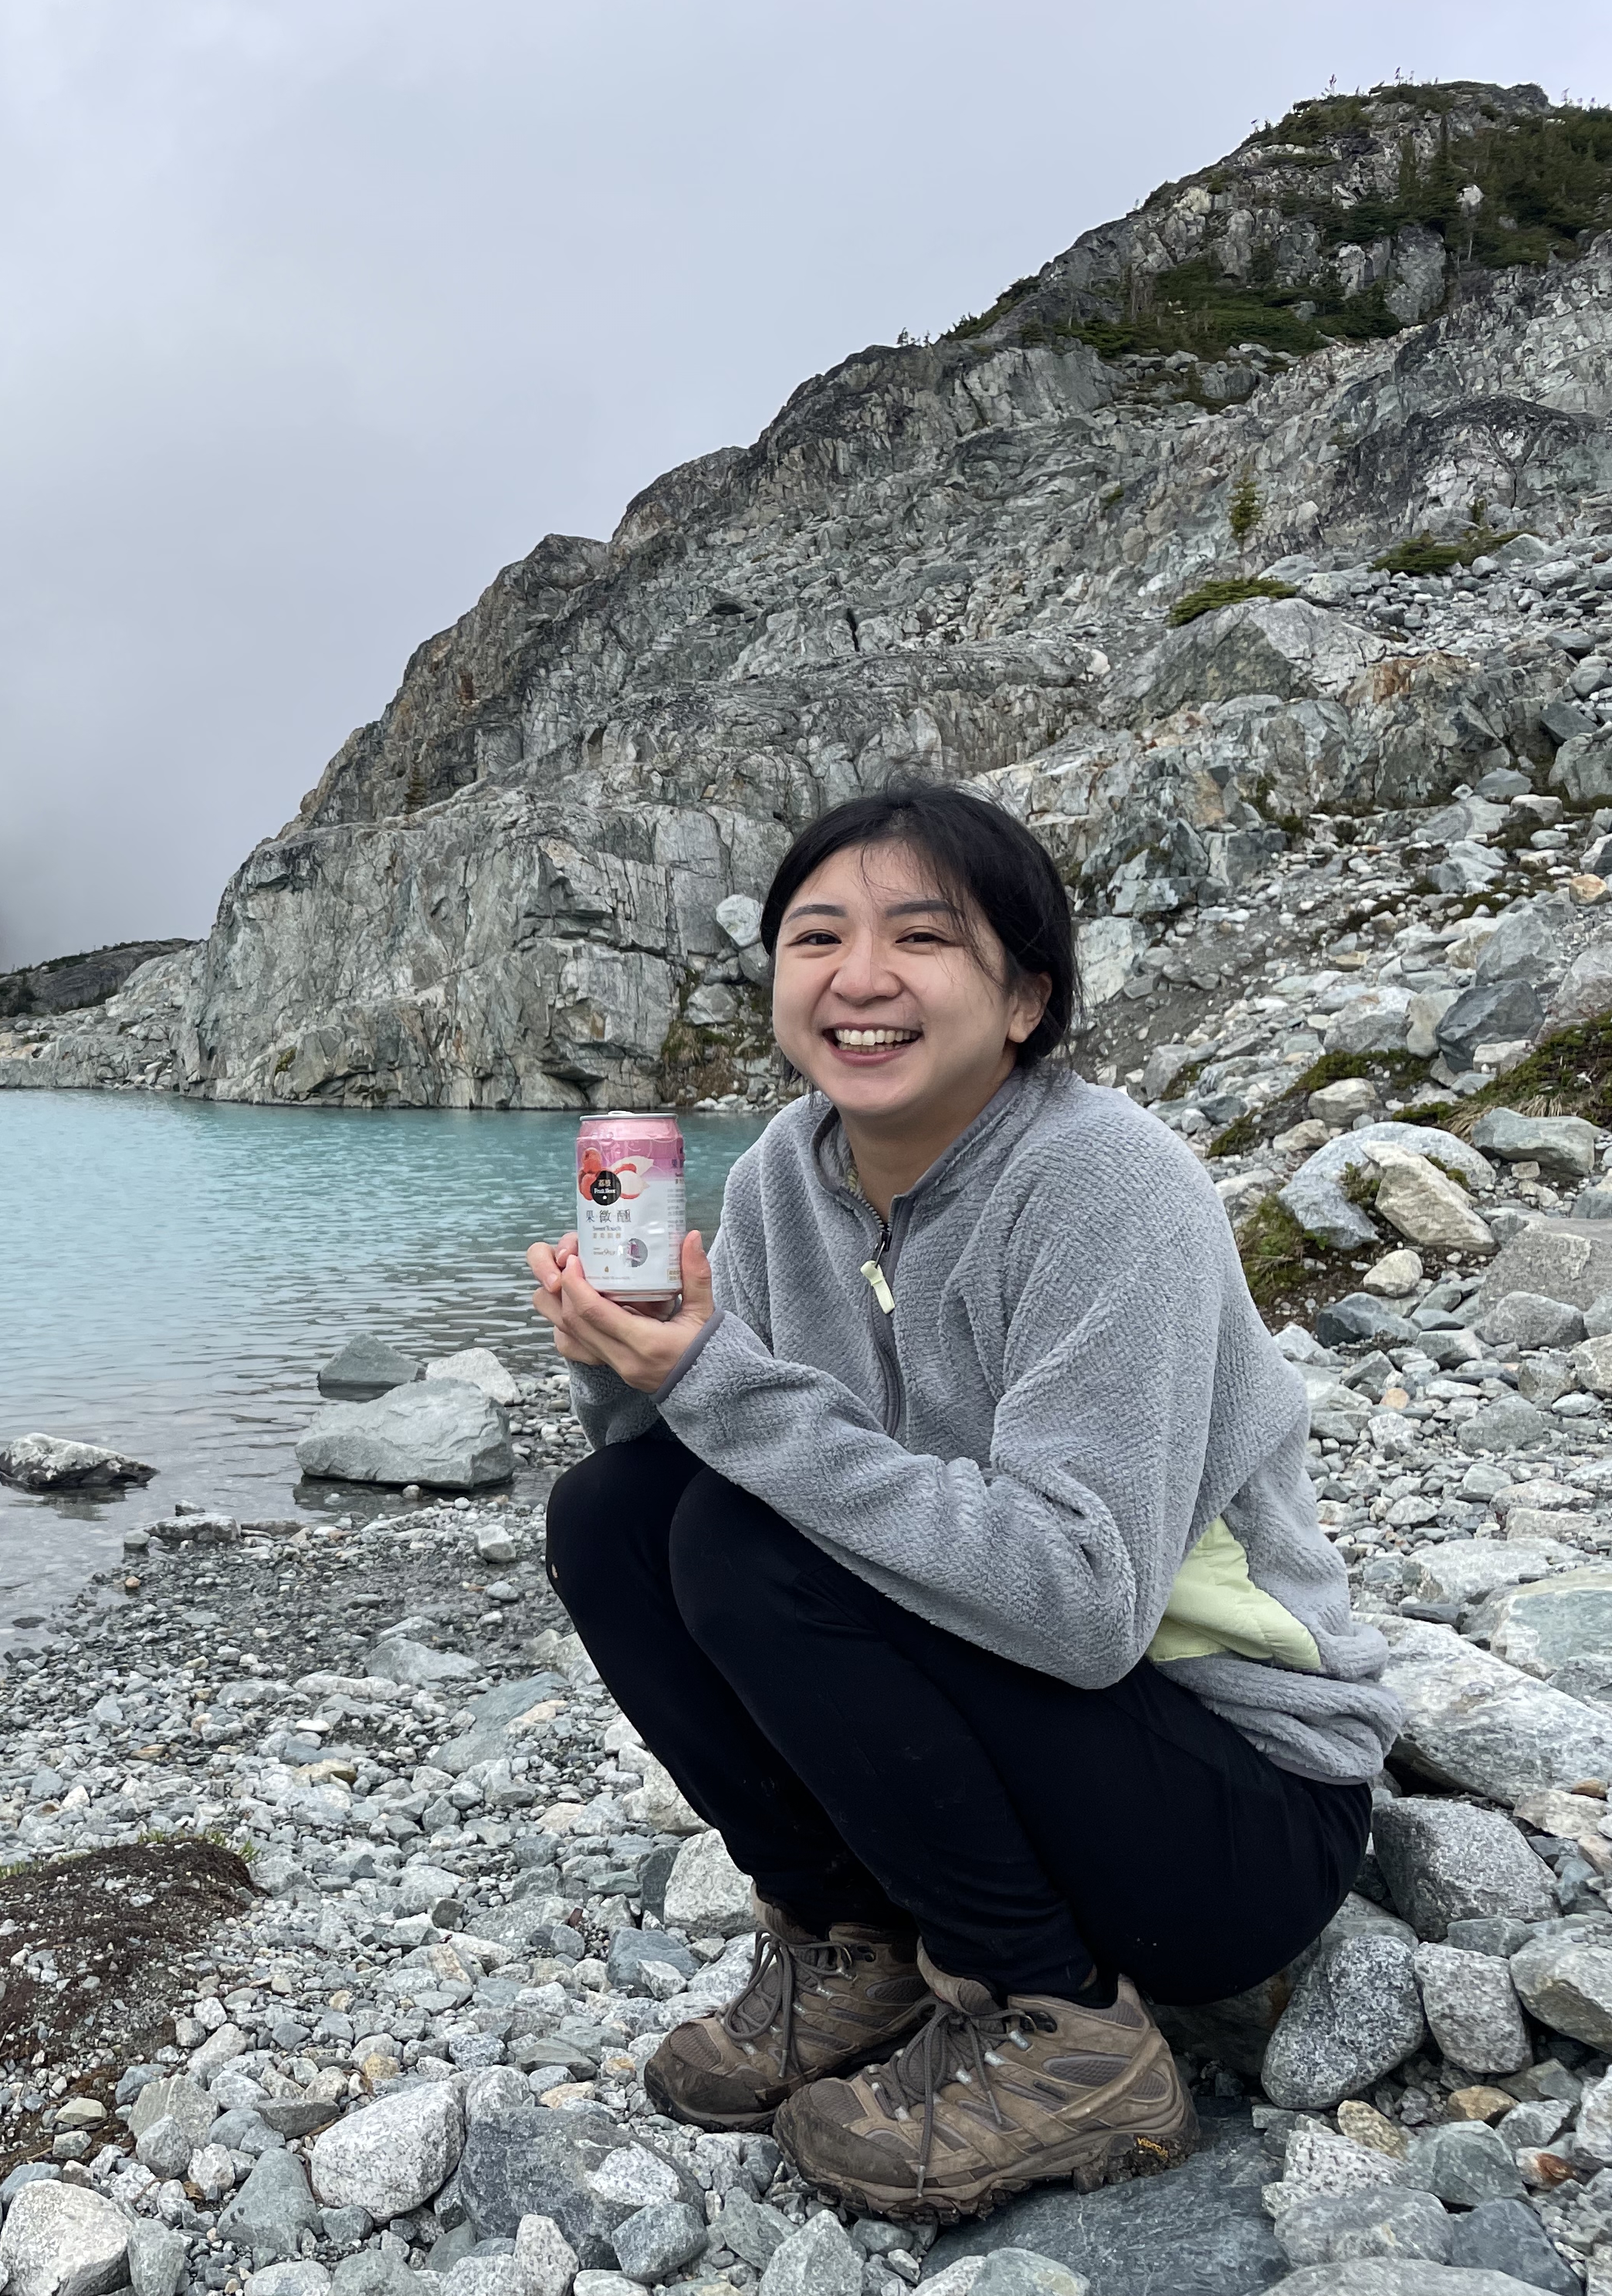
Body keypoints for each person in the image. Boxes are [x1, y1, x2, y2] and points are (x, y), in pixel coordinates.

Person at [523, 782, 1397, 2224]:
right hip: (1022, 1748)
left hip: (1231, 1806)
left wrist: (725, 1386)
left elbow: (1082, 1601)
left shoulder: (1107, 1184)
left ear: (1025, 997)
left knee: (753, 1539)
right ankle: (853, 1942)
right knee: (614, 1509)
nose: (859, 979)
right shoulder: (779, 1186)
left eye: (920, 938)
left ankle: (1063, 2031)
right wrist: (626, 1371)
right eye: (817, 938)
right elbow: (708, 1454)